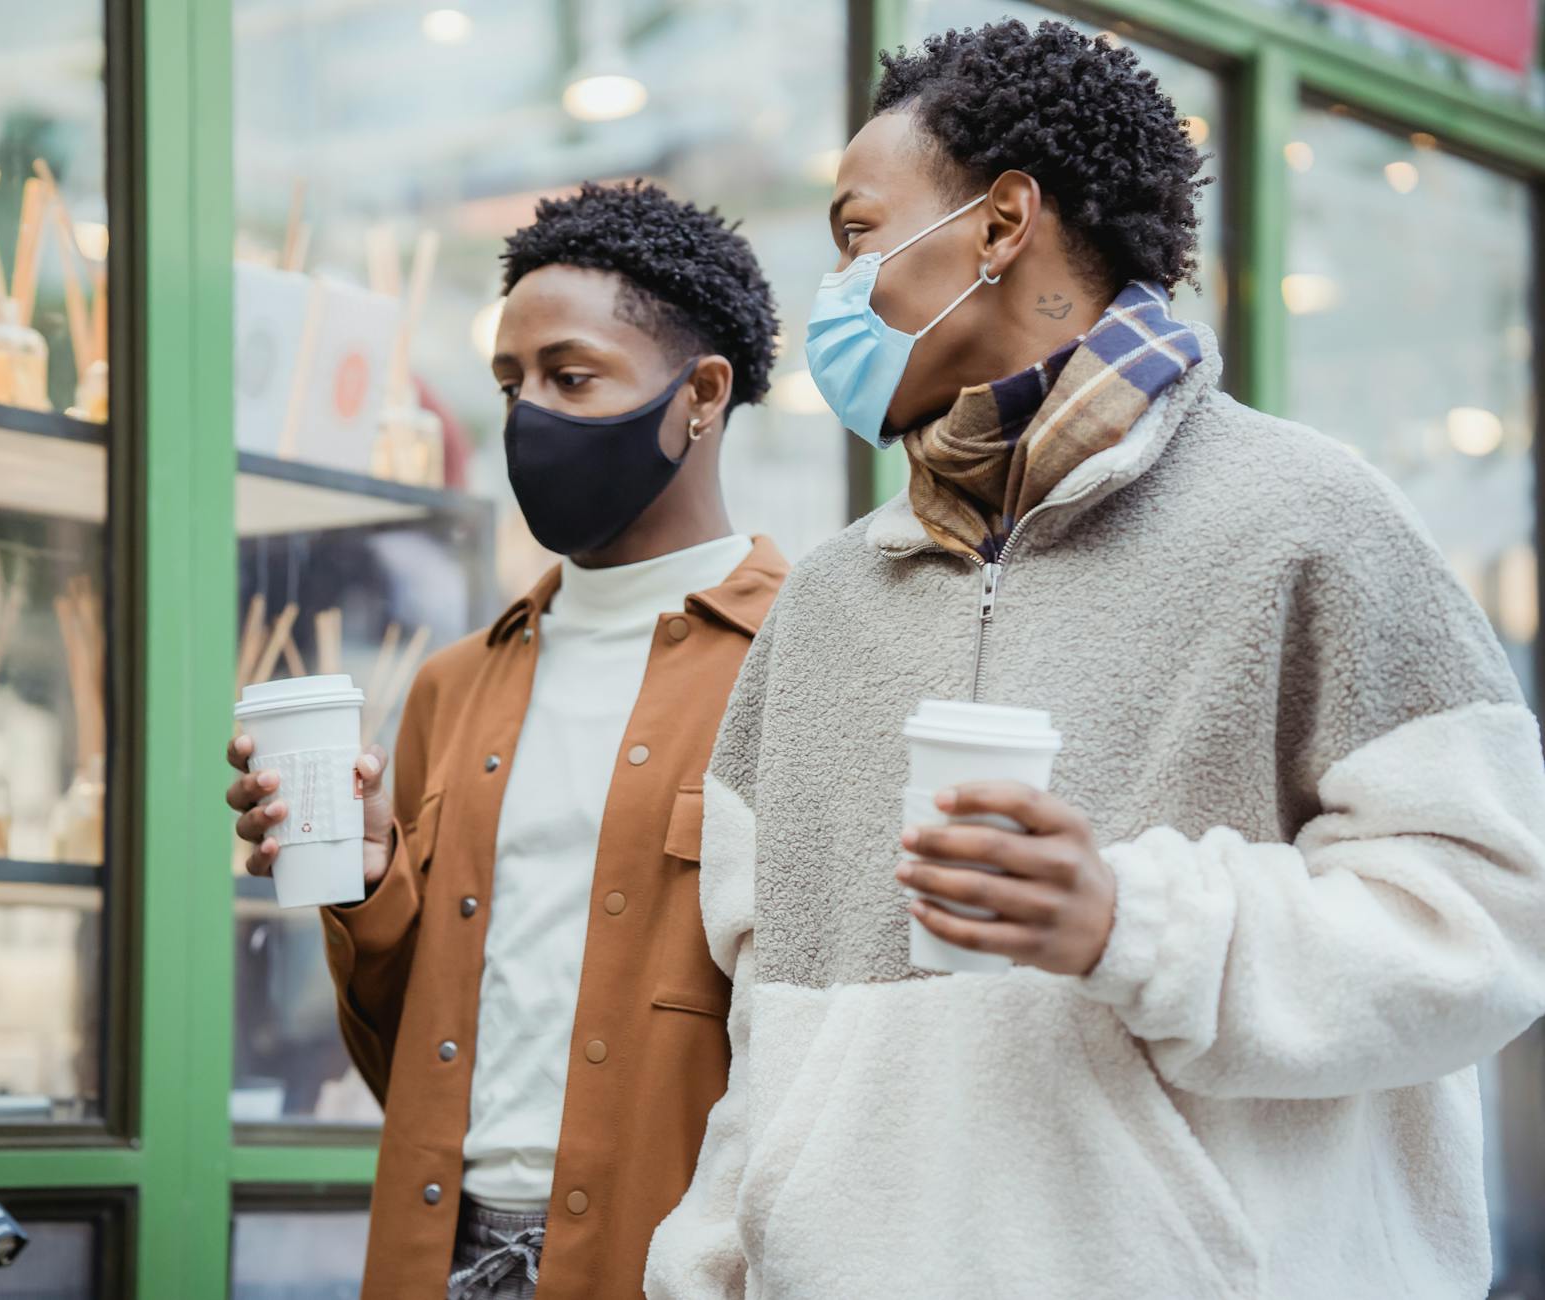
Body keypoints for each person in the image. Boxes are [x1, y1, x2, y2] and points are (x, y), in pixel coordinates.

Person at [647, 20, 1545, 1299]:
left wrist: (1133, 923)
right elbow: (768, 1020)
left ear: (1003, 224)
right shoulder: (828, 601)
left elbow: (1495, 921)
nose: (836, 286)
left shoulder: (1307, 515)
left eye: (857, 232)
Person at [228, 180, 788, 1299]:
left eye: (571, 377)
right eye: (510, 382)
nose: (530, 414)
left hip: (675, 1265)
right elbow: (407, 1059)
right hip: (443, 1255)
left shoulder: (804, 662)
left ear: (703, 395)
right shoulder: (454, 686)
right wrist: (369, 881)